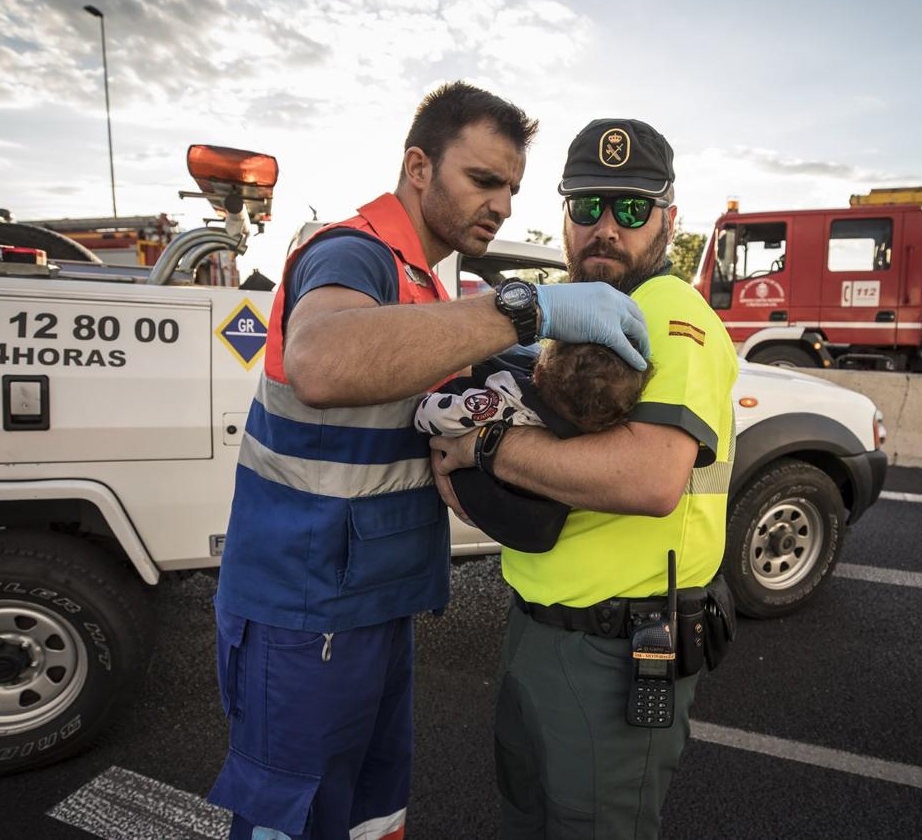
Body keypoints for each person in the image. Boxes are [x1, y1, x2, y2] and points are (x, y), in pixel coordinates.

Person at [207, 84, 652, 840]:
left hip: (374, 607)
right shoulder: (353, 251)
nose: (504, 205)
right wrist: (527, 308)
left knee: (373, 821)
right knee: (299, 822)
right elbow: (320, 360)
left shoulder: (429, 279)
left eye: (512, 188)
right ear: (419, 166)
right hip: (303, 611)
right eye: (484, 180)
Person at [430, 118, 741, 837]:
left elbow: (650, 477)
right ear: (564, 215)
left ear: (670, 220)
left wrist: (486, 448)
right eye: (588, 206)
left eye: (631, 210)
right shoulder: (572, 311)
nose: (606, 228)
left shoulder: (670, 313)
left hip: (616, 654)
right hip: (537, 632)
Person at [414, 341, 648, 552]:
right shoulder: (597, 434)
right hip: (538, 522)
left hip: (485, 505)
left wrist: (430, 400)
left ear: (536, 373)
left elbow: (430, 416)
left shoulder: (507, 401)